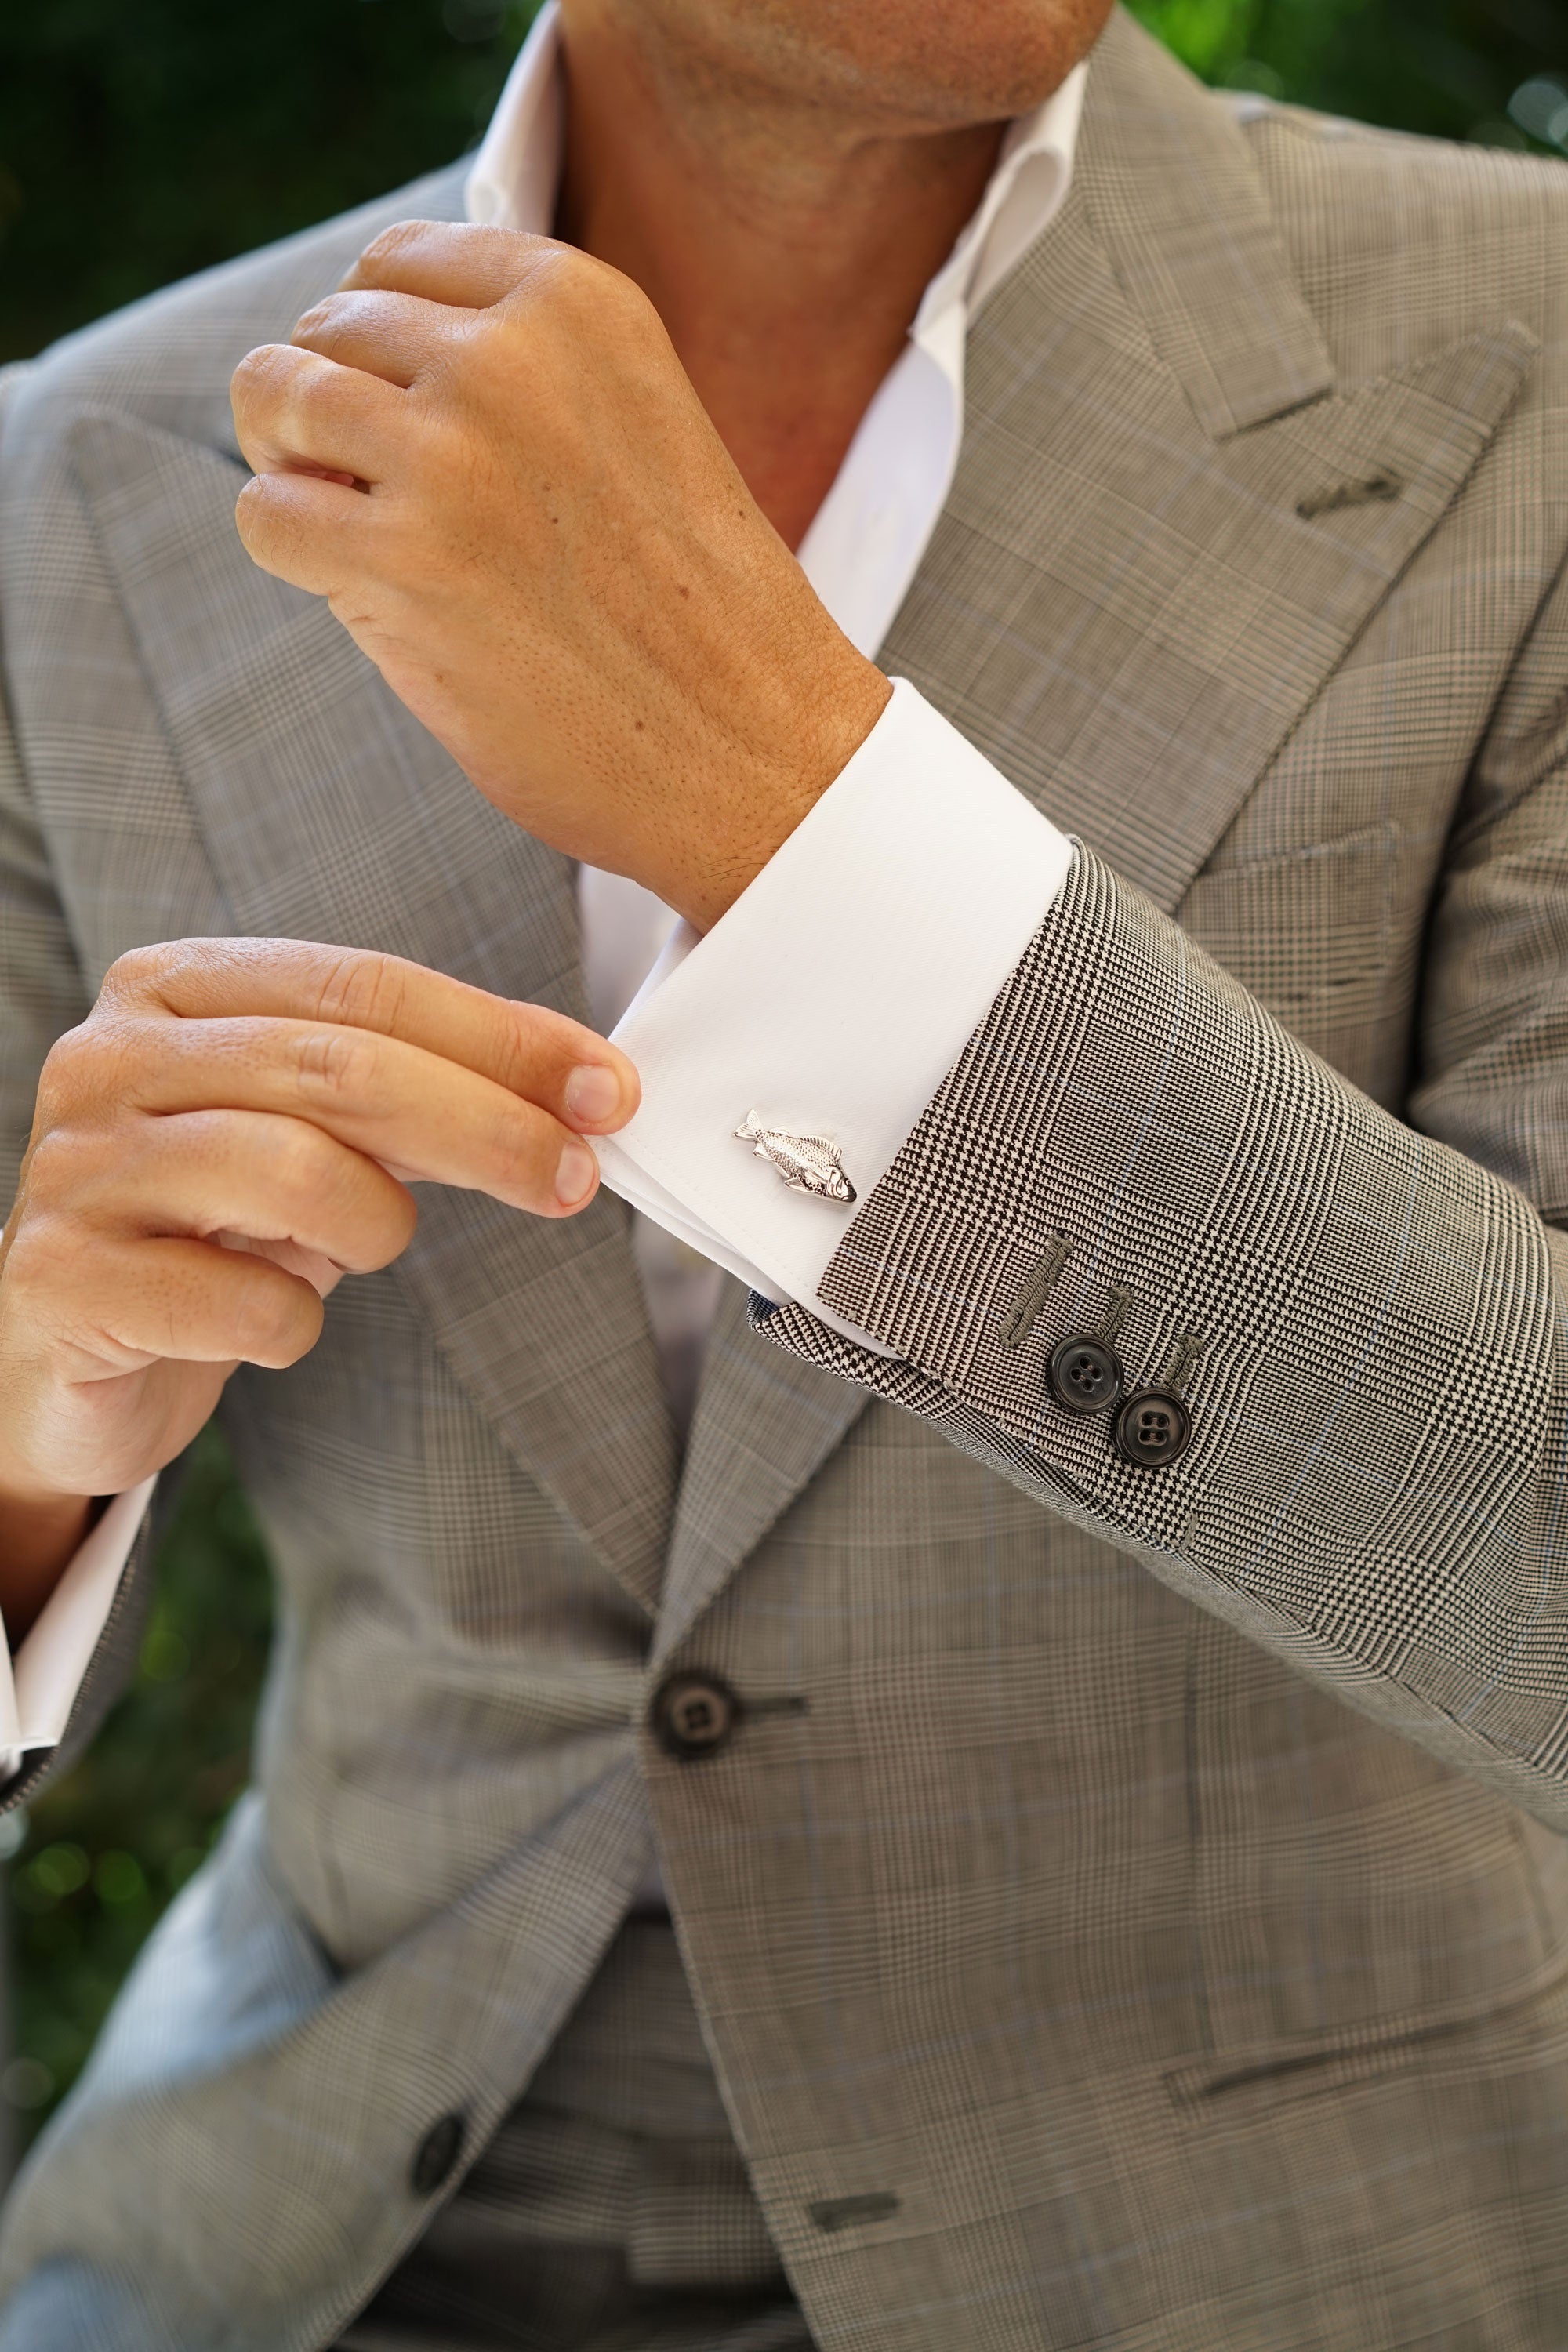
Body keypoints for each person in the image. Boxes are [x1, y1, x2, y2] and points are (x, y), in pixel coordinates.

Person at [1, 0, 1567, 2341]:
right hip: (293, 2249)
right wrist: (28, 1442)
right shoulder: (77, 484)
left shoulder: (1530, 360)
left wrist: (800, 816)